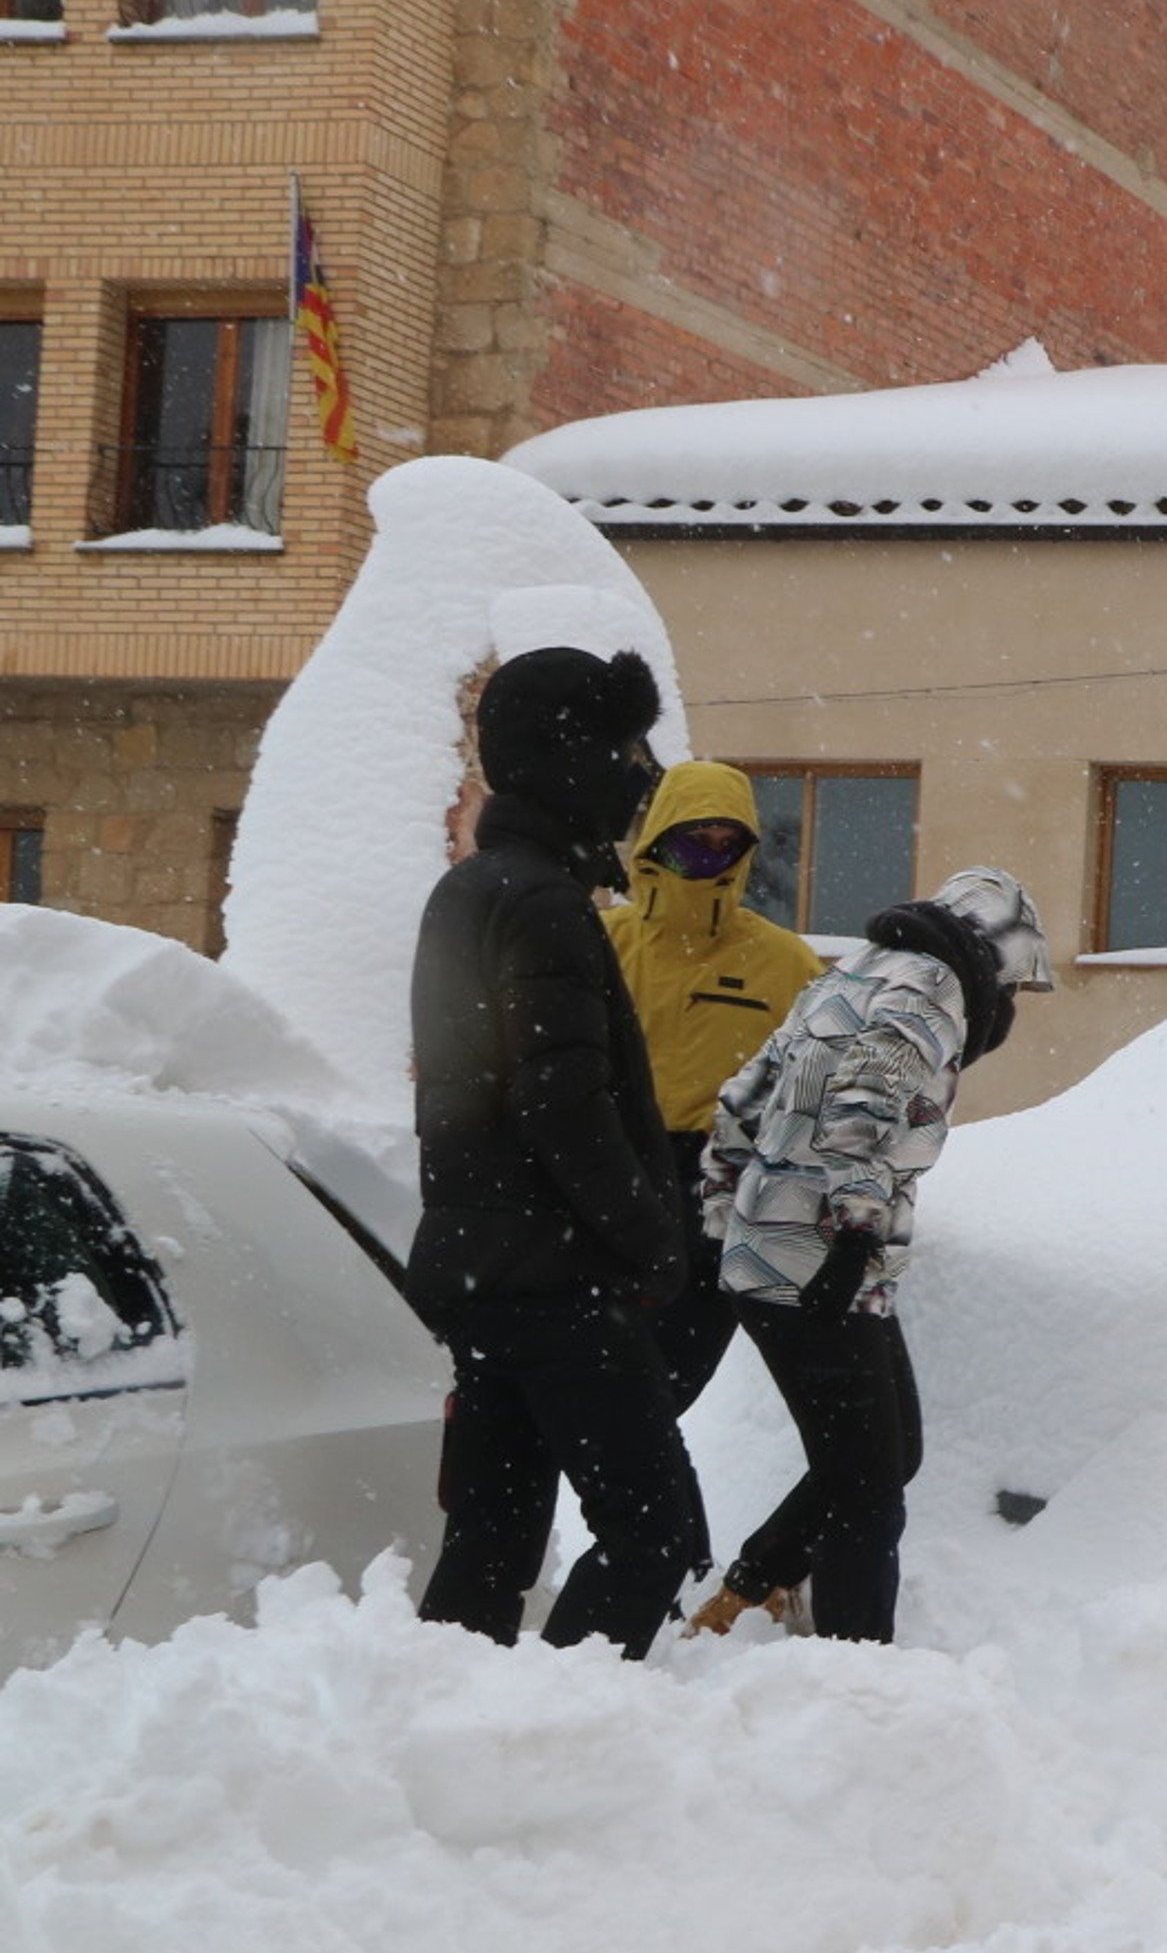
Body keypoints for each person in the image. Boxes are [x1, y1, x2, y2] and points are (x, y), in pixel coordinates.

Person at [409, 644, 714, 1656]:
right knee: (654, 1528)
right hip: (555, 1277)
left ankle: (450, 1724)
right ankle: (555, 1725)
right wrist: (649, 1236)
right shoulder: (538, 902)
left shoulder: (473, 889)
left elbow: (475, 1101)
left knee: (493, 1535)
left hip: (486, 1269)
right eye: (625, 748)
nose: (640, 774)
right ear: (572, 757)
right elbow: (560, 1104)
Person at [684, 866, 1050, 1645]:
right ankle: (856, 1672)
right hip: (819, 1262)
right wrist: (851, 1234)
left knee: (890, 1454)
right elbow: (866, 1105)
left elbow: (745, 1094)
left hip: (779, 1256)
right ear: (995, 956)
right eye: (1012, 990)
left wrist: (724, 1217)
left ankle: (754, 1588)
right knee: (867, 1493)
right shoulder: (933, 987)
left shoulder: (853, 971)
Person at [602, 761, 825, 1412]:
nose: (711, 852)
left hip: (716, 1188)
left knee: (666, 1391)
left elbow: (819, 1079)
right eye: (695, 834)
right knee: (590, 1392)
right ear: (658, 835)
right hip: (610, 1179)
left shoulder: (784, 962)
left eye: (729, 840)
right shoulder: (604, 941)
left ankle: (647, 1507)